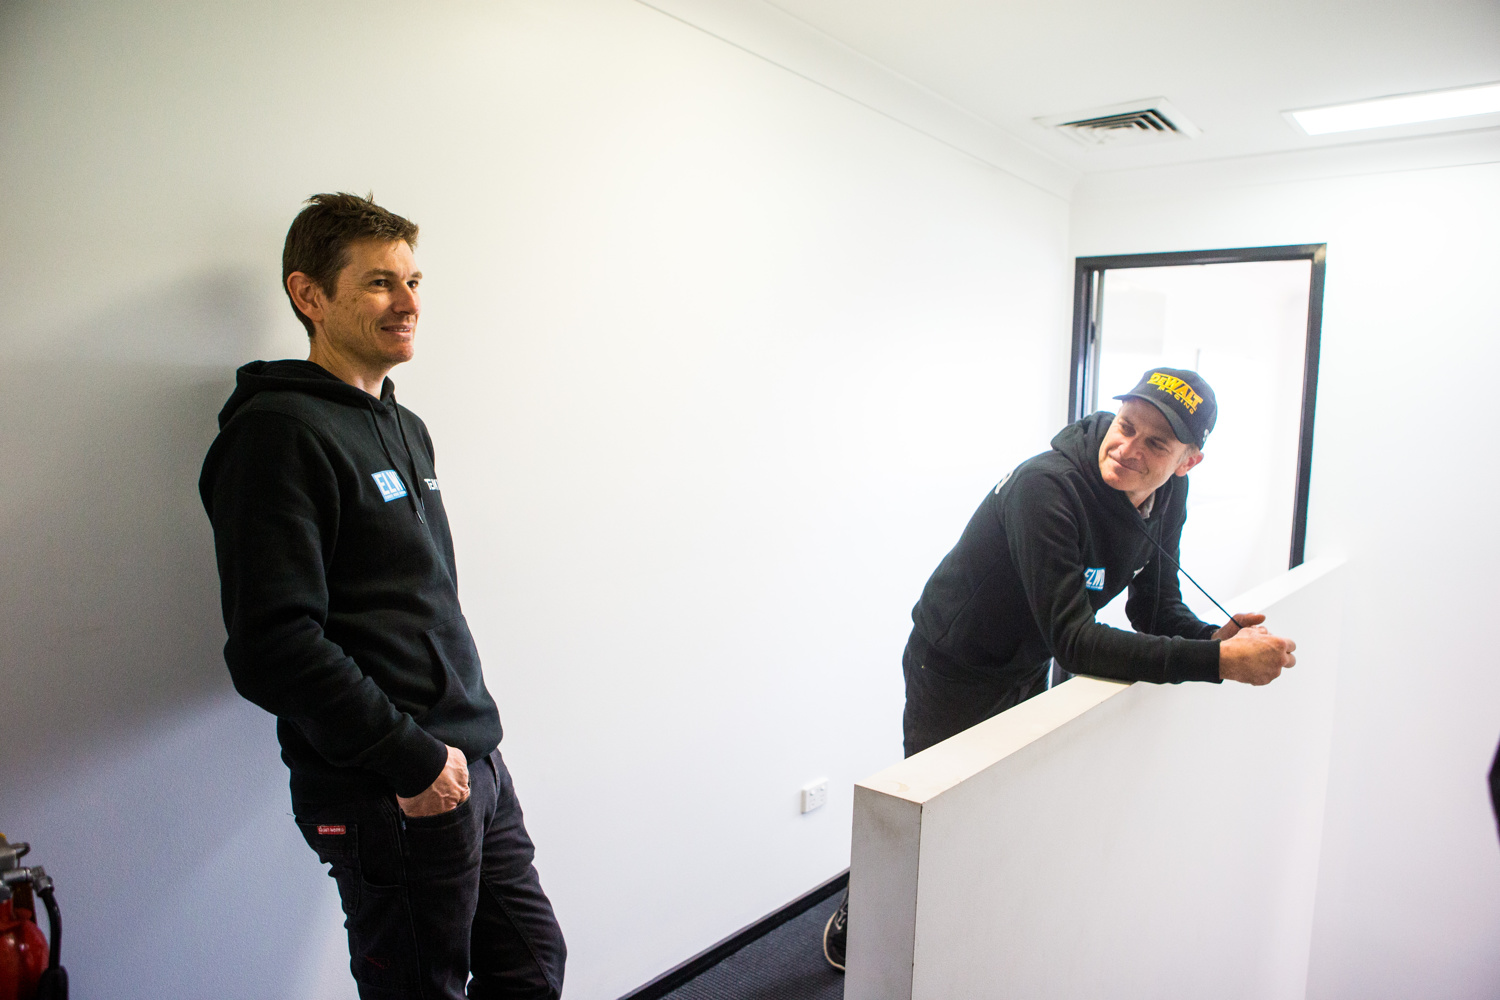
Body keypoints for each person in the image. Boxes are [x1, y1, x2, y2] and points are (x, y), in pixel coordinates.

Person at [199, 193, 566, 999]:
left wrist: (462, 752)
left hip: (472, 761)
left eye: (413, 280)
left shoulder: (404, 425)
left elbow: (415, 602)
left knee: (532, 968)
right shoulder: (277, 435)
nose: (408, 303)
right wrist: (414, 760)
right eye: (378, 283)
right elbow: (272, 646)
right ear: (309, 295)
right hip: (390, 788)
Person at [822, 367, 1297, 972]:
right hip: (955, 661)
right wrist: (1217, 662)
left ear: (1187, 462)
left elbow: (1155, 607)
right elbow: (1077, 642)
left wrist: (1211, 636)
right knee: (927, 813)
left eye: (1156, 443)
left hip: (1032, 652)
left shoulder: (1166, 494)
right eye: (1127, 426)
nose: (1129, 449)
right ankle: (863, 910)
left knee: (996, 803)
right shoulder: (1045, 487)